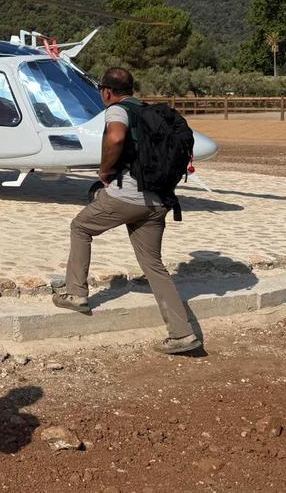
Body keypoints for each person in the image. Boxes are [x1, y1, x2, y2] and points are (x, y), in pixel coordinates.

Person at [52, 67, 201, 355]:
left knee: (80, 227)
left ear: (107, 92)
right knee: (153, 264)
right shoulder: (148, 111)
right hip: (159, 200)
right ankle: (182, 334)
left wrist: (105, 170)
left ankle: (76, 293)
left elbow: (116, 138)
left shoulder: (117, 111)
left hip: (128, 196)